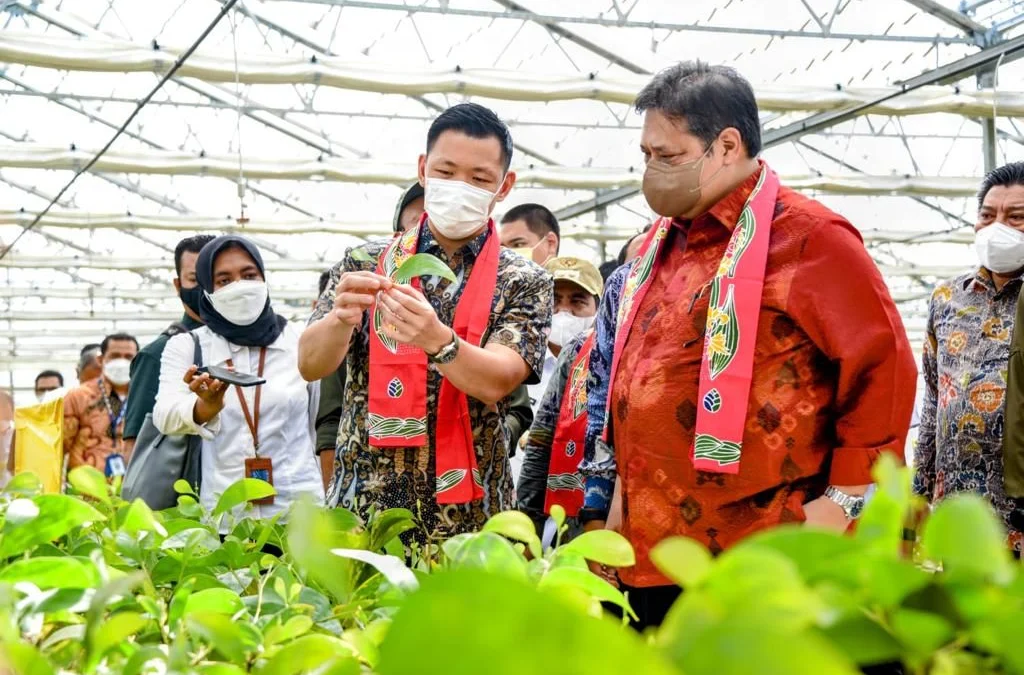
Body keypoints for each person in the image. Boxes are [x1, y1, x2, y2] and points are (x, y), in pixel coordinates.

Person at [579, 61, 917, 629]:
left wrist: (844, 503)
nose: (652, 171)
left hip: (764, 549)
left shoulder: (810, 238)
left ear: (727, 146)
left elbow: (883, 371)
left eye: (669, 155)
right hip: (650, 558)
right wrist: (611, 505)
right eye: (646, 155)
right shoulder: (660, 248)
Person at [300, 102, 551, 540]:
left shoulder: (523, 280)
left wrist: (438, 340)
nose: (460, 187)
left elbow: (499, 380)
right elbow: (309, 364)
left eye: (479, 179)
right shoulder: (366, 262)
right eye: (446, 171)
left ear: (504, 185)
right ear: (423, 168)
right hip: (367, 499)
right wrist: (340, 320)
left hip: (472, 509)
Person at [154, 235, 324, 518]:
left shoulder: (299, 339)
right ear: (207, 290)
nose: (240, 287)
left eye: (249, 275)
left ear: (263, 278)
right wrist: (203, 408)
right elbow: (164, 415)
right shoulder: (189, 345)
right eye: (224, 280)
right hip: (227, 517)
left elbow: (322, 421)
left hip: (300, 513)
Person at [922, 162, 1024, 555]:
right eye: (987, 215)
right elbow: (933, 400)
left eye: (1016, 217)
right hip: (959, 510)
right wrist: (920, 494)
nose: (998, 226)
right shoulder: (948, 299)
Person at [517, 256, 604, 543]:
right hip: (529, 513)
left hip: (590, 518)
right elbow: (539, 448)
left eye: (577, 301)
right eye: (554, 300)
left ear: (600, 307)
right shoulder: (510, 363)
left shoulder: (606, 359)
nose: (563, 312)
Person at [123, 235, 216, 454]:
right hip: (187, 484)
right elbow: (135, 448)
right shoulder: (156, 354)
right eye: (194, 279)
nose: (204, 288)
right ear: (178, 284)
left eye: (213, 279)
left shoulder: (245, 345)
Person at [63, 333, 139, 475]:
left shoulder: (146, 397)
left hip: (133, 487)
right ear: (101, 359)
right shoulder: (78, 397)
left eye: (128, 357)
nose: (122, 362)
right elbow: (61, 446)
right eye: (115, 356)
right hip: (86, 490)